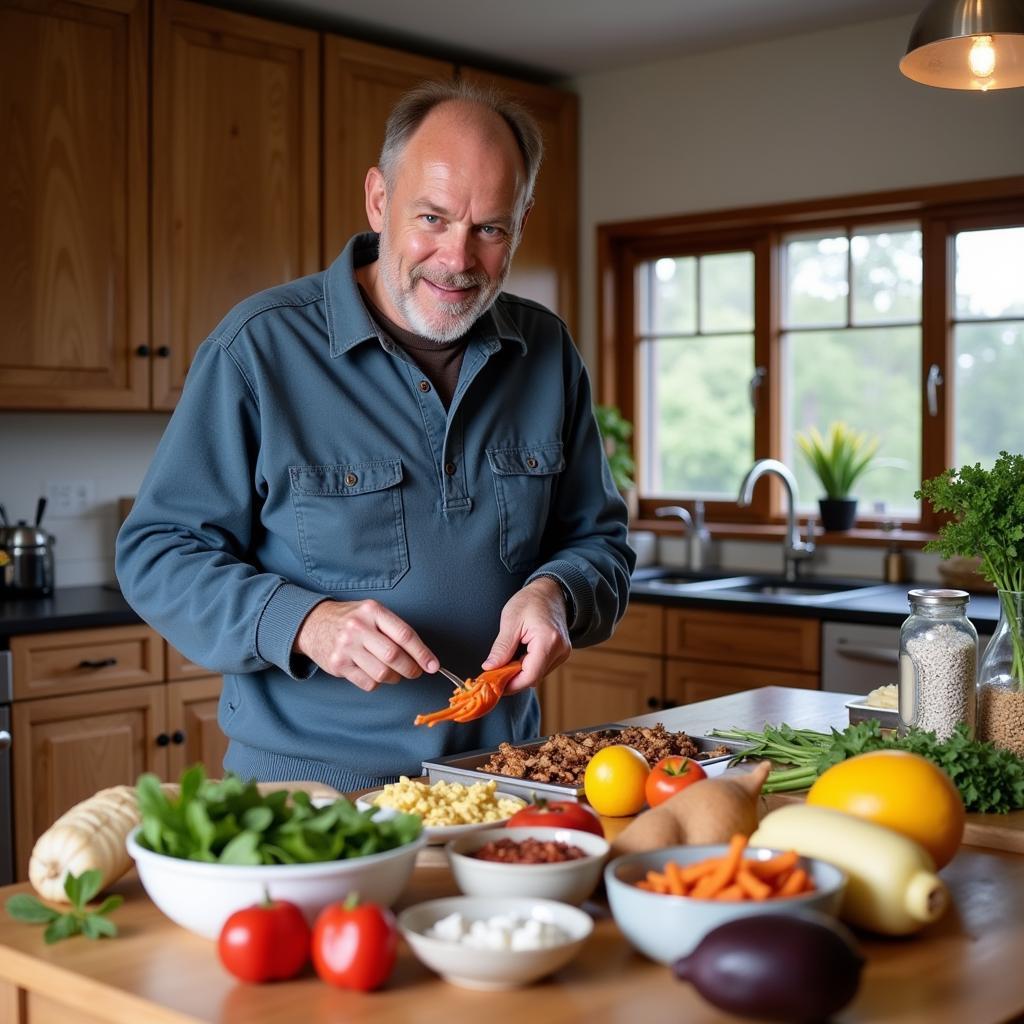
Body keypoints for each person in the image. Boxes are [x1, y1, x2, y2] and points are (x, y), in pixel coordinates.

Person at [116, 80, 634, 791]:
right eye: (432, 218)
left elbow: (601, 543)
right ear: (378, 200)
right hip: (308, 791)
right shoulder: (258, 349)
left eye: (490, 228)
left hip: (498, 781)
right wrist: (305, 624)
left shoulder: (546, 351)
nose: (457, 259)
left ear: (520, 222)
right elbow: (156, 553)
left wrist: (557, 592)